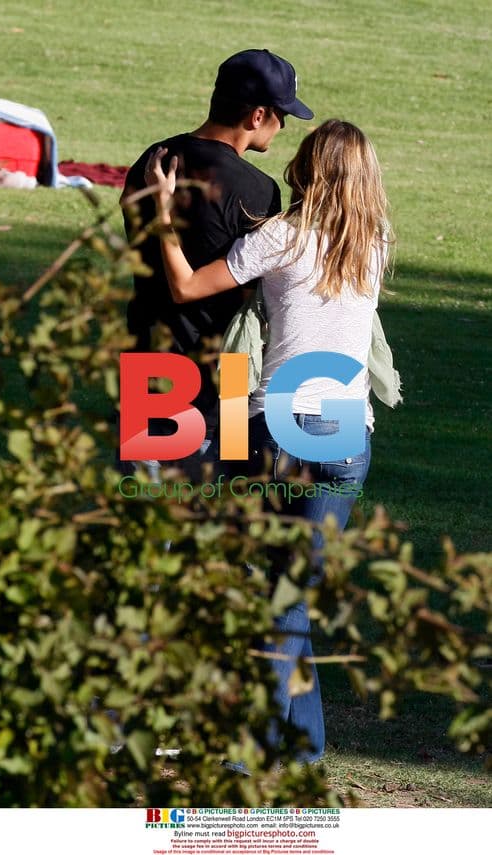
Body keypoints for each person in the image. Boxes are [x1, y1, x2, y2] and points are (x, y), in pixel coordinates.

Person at [144, 119, 393, 764]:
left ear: (308, 168)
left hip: (279, 428)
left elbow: (187, 286)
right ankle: (303, 754)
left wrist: (165, 219)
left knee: (278, 598)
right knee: (292, 594)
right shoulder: (374, 241)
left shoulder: (281, 237)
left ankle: (246, 757)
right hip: (347, 437)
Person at [120, 48, 313, 450]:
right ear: (257, 115)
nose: (283, 127)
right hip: (222, 374)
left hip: (147, 359)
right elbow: (253, 288)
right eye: (283, 116)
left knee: (141, 498)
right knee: (216, 498)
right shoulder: (258, 191)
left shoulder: (153, 159)